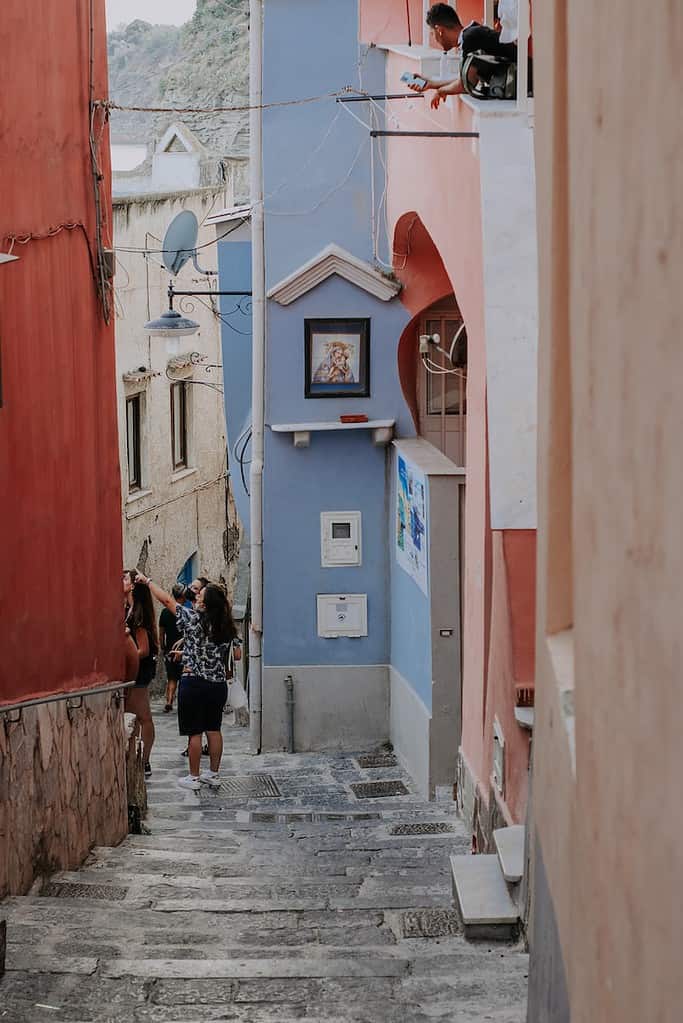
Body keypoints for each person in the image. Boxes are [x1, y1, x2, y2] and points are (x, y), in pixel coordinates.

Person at [134, 572, 239, 791]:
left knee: (195, 732)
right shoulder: (224, 625)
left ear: (206, 602)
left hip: (194, 682)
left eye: (201, 594)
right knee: (214, 729)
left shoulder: (194, 619)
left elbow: (166, 601)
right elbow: (214, 652)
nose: (197, 595)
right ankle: (213, 774)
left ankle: (193, 777)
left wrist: (148, 581)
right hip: (217, 684)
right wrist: (186, 652)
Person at [410, 3, 520, 107]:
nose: (434, 39)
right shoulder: (470, 35)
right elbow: (464, 79)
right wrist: (431, 83)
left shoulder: (470, 38)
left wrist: (441, 91)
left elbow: (466, 84)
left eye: (432, 34)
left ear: (440, 30)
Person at [123, 569, 158, 778]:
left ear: (133, 586)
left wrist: (126, 657)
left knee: (143, 716)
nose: (121, 580)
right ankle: (140, 759)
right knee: (138, 717)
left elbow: (143, 649)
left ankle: (144, 760)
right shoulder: (129, 609)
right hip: (133, 670)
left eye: (124, 578)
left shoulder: (137, 614)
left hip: (138, 670)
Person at [159, 583, 185, 712]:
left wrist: (163, 646)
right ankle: (182, 702)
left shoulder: (164, 612)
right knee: (183, 677)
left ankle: (169, 701)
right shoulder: (185, 613)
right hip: (183, 649)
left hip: (170, 649)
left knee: (172, 677)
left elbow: (161, 632)